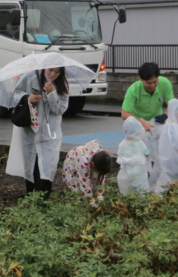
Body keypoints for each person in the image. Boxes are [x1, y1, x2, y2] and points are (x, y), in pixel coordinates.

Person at [7, 67, 69, 199]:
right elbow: (15, 93)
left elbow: (60, 110)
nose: (53, 74)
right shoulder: (30, 76)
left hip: (49, 133)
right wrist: (28, 98)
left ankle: (43, 200)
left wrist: (52, 94)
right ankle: (31, 198)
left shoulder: (61, 84)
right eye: (50, 70)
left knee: (47, 167)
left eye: (57, 72)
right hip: (30, 131)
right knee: (31, 164)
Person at [121, 62, 175, 134]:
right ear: (140, 79)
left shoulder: (165, 84)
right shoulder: (133, 90)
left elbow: (172, 104)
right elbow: (124, 114)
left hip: (157, 122)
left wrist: (166, 115)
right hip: (137, 122)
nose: (152, 85)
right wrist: (141, 122)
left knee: (159, 143)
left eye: (155, 82)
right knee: (137, 144)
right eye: (149, 83)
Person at [63, 140, 112, 207]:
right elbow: (84, 182)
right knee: (77, 184)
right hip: (72, 160)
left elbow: (101, 176)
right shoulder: (84, 163)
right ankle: (80, 201)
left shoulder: (102, 159)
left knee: (94, 177)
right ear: (93, 164)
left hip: (88, 160)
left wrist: (100, 194)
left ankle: (89, 197)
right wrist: (91, 200)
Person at [116, 117, 150, 195]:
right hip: (139, 172)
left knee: (127, 189)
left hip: (126, 171)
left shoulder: (122, 144)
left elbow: (120, 155)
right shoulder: (140, 143)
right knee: (141, 188)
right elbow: (146, 154)